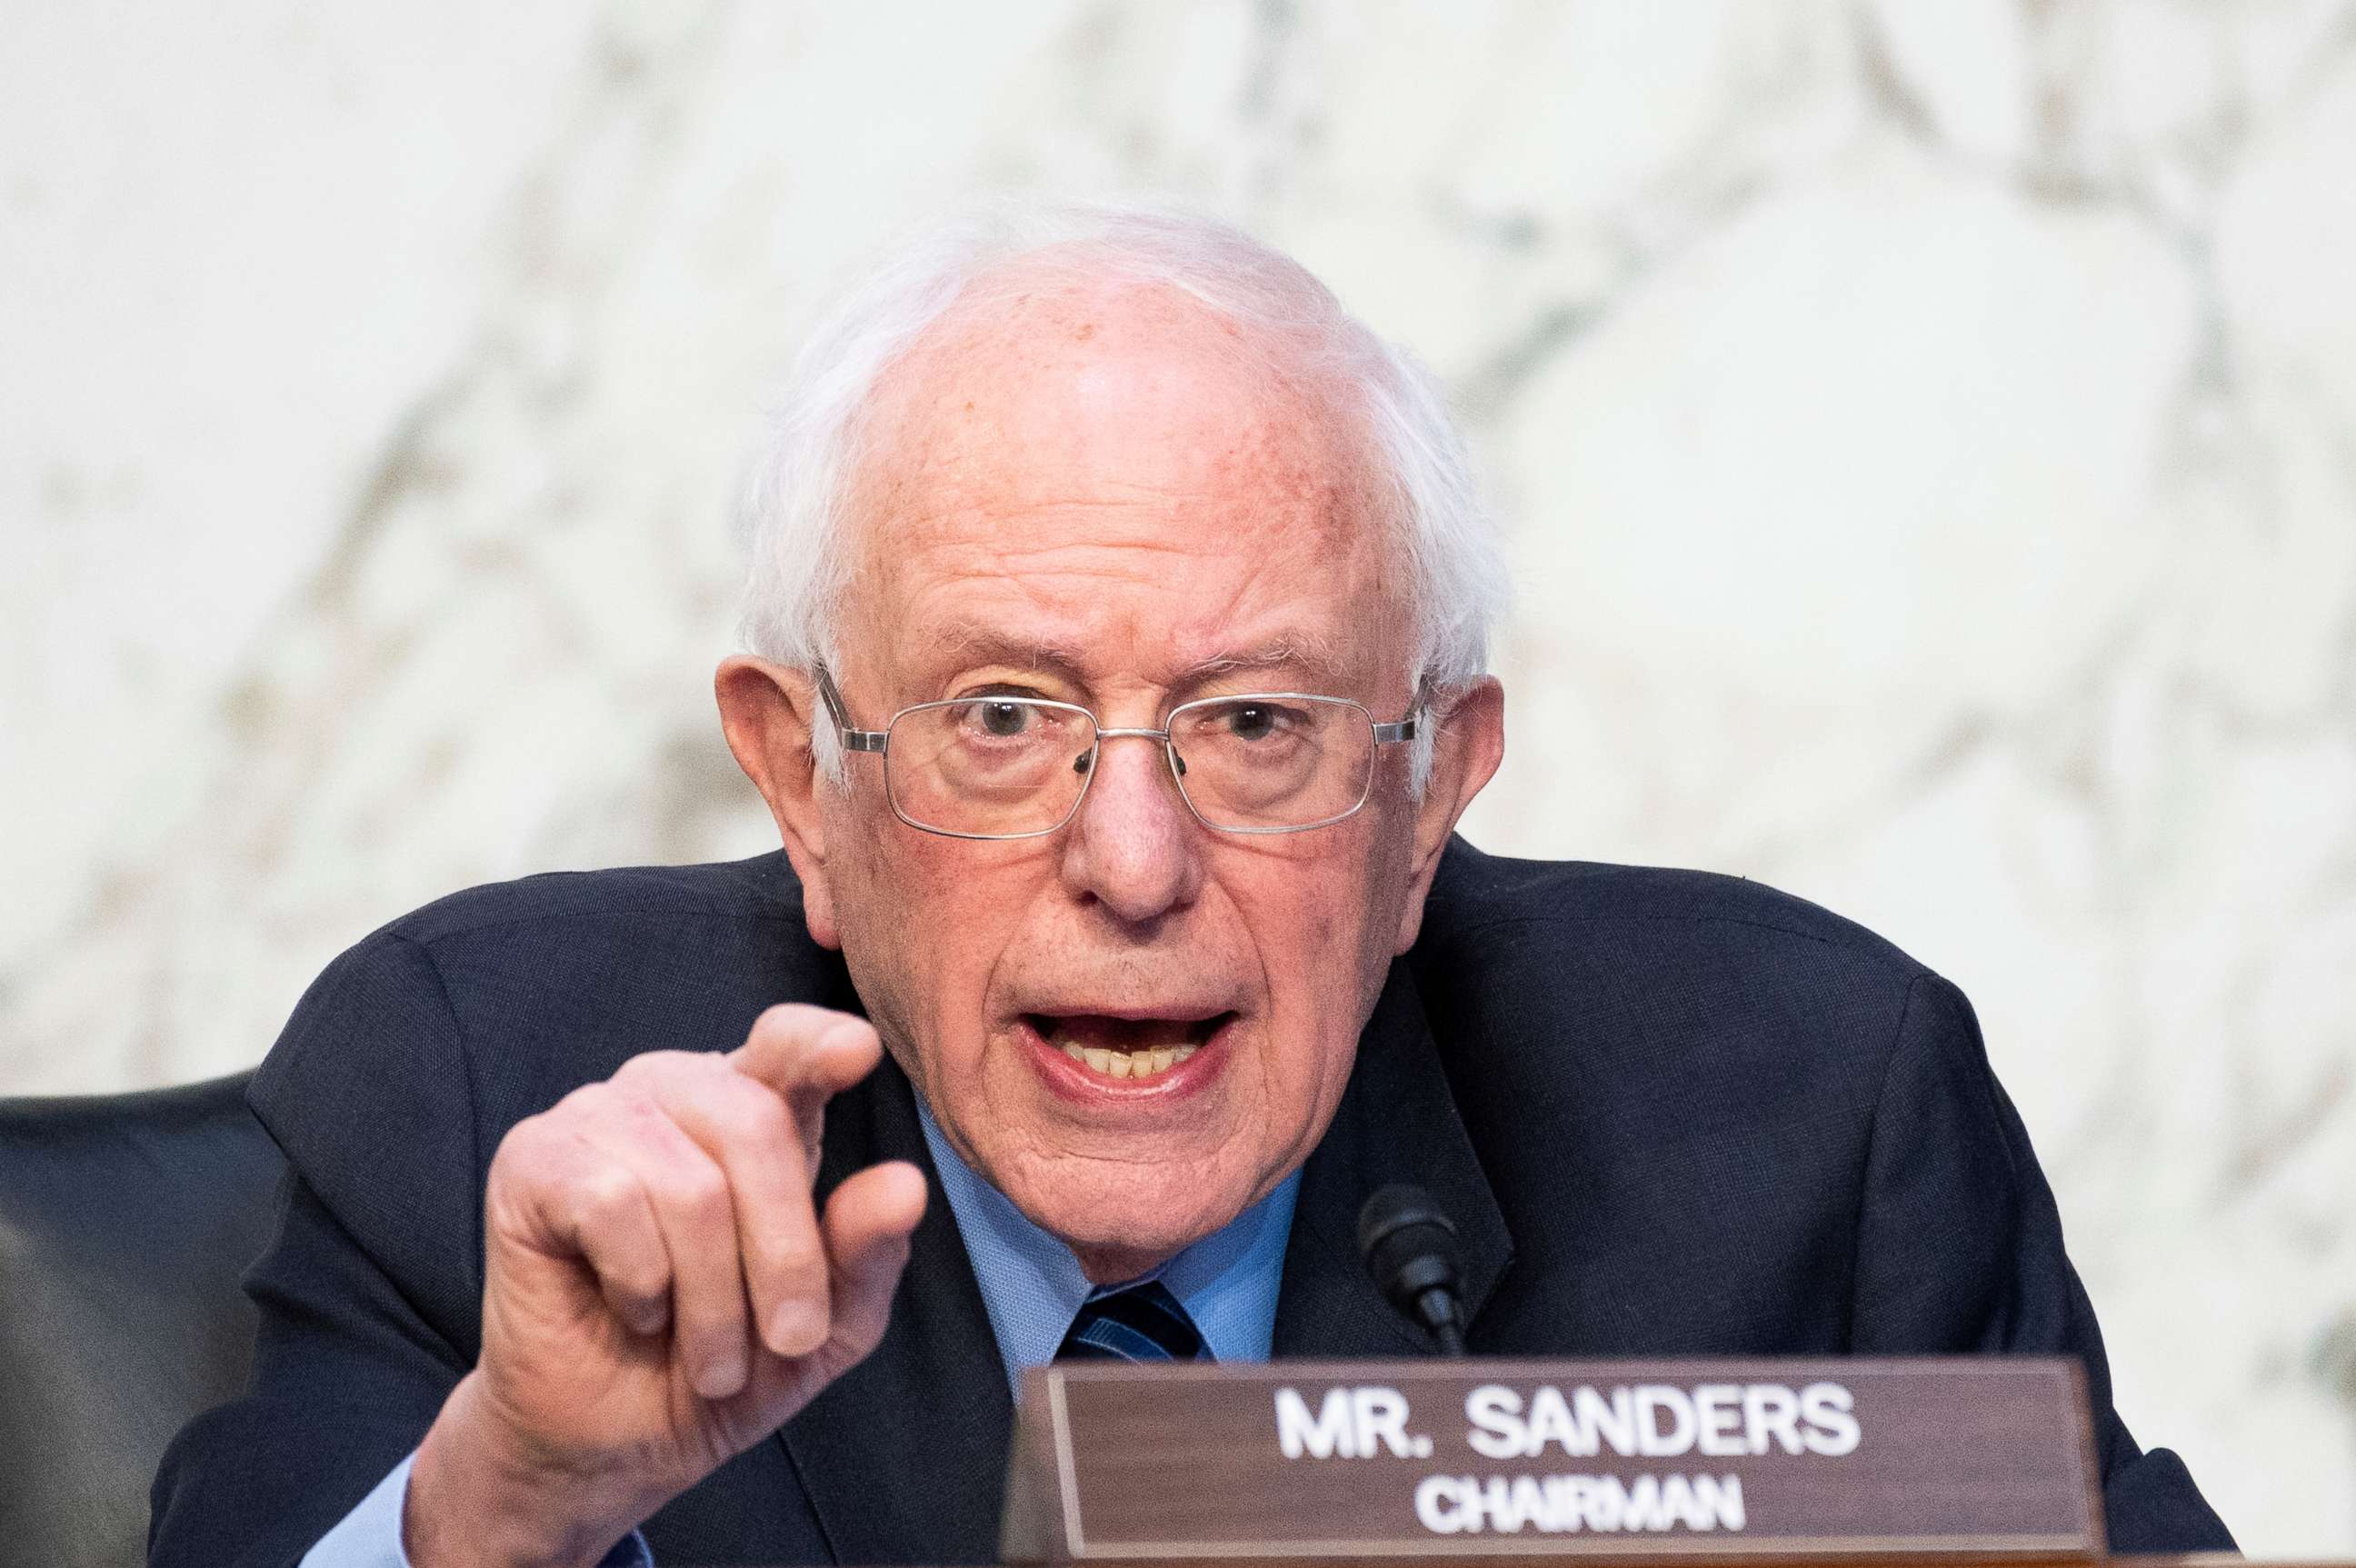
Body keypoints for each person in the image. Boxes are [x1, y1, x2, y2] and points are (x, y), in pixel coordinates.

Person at [149, 202, 2233, 1567]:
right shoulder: (492, 1090)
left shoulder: (1804, 1121)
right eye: (997, 718)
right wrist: (516, 1495)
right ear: (804, 776)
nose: (1129, 861)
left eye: (1255, 725)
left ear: (1431, 797)